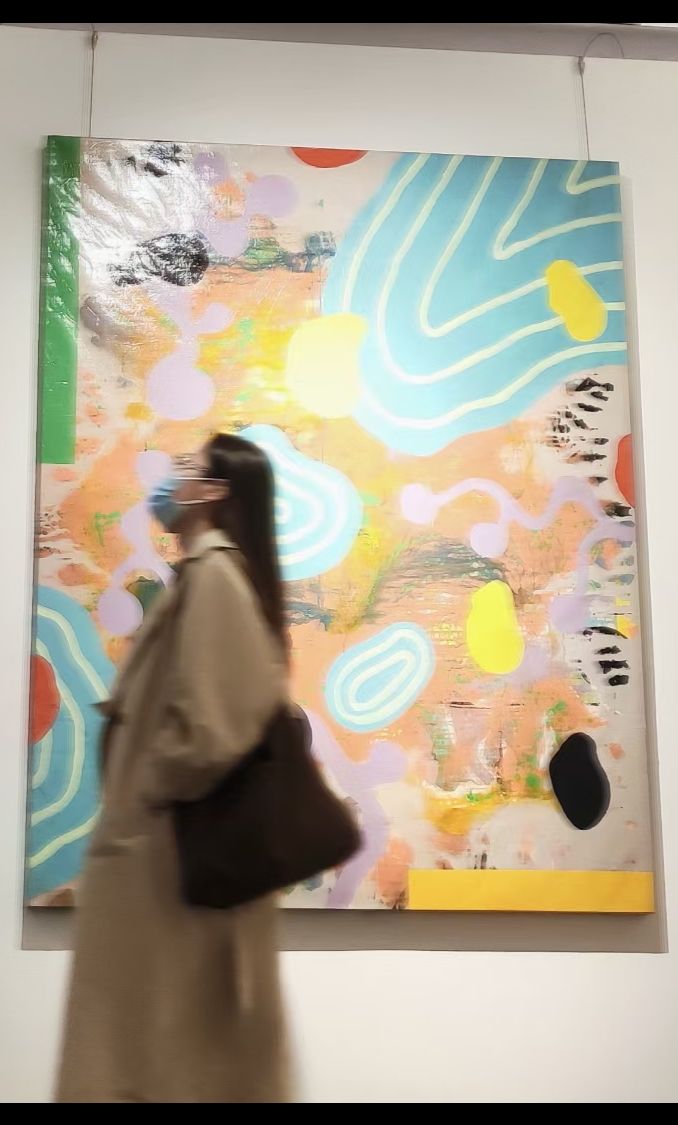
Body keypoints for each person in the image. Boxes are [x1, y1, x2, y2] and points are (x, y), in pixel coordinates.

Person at [56, 433, 290, 1103]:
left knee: (154, 1068)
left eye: (186, 467)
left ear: (213, 492)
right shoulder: (202, 577)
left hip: (163, 873)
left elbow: (214, 732)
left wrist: (142, 793)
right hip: (158, 869)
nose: (169, 477)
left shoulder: (214, 578)